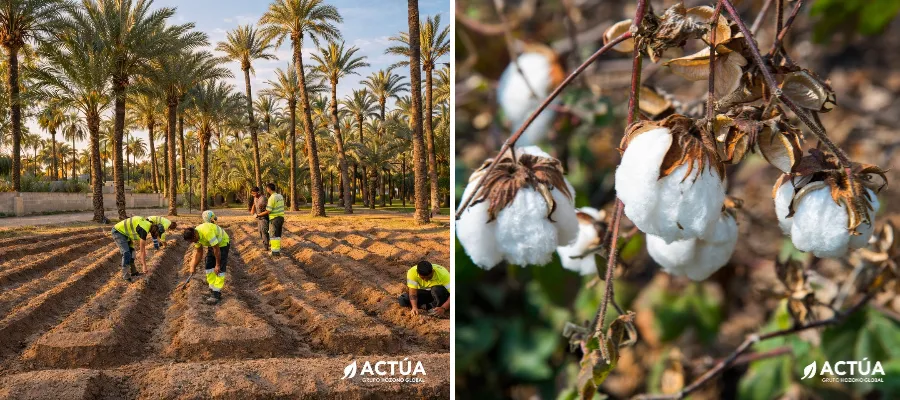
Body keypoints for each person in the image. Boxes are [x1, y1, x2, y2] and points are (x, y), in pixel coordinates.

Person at [182, 210, 231, 305]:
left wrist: (217, 264)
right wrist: (193, 266)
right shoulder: (196, 237)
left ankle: (216, 294)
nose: (194, 242)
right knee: (208, 266)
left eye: (193, 240)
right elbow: (199, 252)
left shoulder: (206, 232)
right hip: (212, 244)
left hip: (222, 243)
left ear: (195, 234)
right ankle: (212, 289)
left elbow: (216, 249)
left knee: (219, 269)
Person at [111, 216, 161, 282]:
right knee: (126, 253)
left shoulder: (148, 224)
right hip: (118, 232)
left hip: (126, 234)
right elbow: (142, 251)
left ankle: (134, 272)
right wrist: (144, 266)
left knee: (132, 253)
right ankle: (125, 277)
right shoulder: (144, 230)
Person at [255, 183, 285, 256]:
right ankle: (277, 251)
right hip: (281, 217)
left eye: (266, 188)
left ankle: (274, 252)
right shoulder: (280, 196)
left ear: (268, 189)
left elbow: (268, 211)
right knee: (277, 235)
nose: (266, 190)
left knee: (273, 235)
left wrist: (258, 215)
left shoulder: (272, 198)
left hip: (274, 218)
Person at [249, 186, 269, 251]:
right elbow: (254, 204)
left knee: (264, 231)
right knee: (260, 231)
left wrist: (258, 215)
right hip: (259, 218)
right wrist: (252, 210)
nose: (253, 195)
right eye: (252, 194)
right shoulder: (255, 198)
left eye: (254, 193)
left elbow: (267, 211)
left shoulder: (263, 199)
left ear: (258, 192)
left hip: (264, 218)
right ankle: (266, 243)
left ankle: (266, 246)